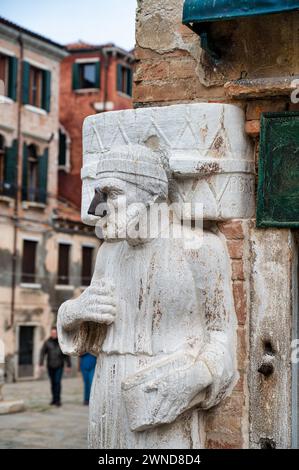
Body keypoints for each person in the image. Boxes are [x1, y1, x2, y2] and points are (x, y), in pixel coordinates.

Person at [40, 326, 71, 407]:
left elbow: (66, 354)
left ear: (57, 334)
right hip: (50, 366)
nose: (53, 334)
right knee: (53, 383)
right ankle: (54, 399)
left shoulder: (61, 342)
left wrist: (68, 365)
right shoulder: (47, 342)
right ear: (51, 333)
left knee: (57, 382)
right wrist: (41, 364)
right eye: (52, 333)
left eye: (55, 333)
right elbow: (42, 353)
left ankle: (58, 400)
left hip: (59, 365)